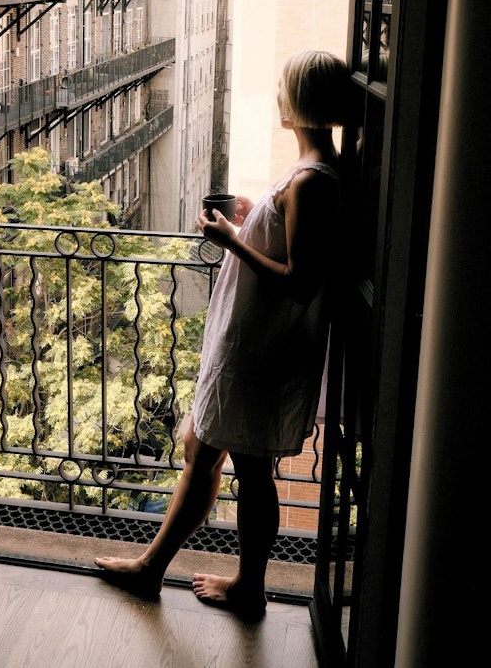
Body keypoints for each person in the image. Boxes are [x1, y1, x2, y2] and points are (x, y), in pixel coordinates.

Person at [94, 49, 352, 619]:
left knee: (248, 470)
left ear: (297, 103)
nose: (278, 99)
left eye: (283, 90)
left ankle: (245, 587)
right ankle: (156, 569)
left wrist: (231, 240)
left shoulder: (313, 179)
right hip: (248, 344)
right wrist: (251, 214)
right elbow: (289, 238)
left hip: (262, 351)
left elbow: (302, 283)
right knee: (199, 447)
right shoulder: (315, 170)